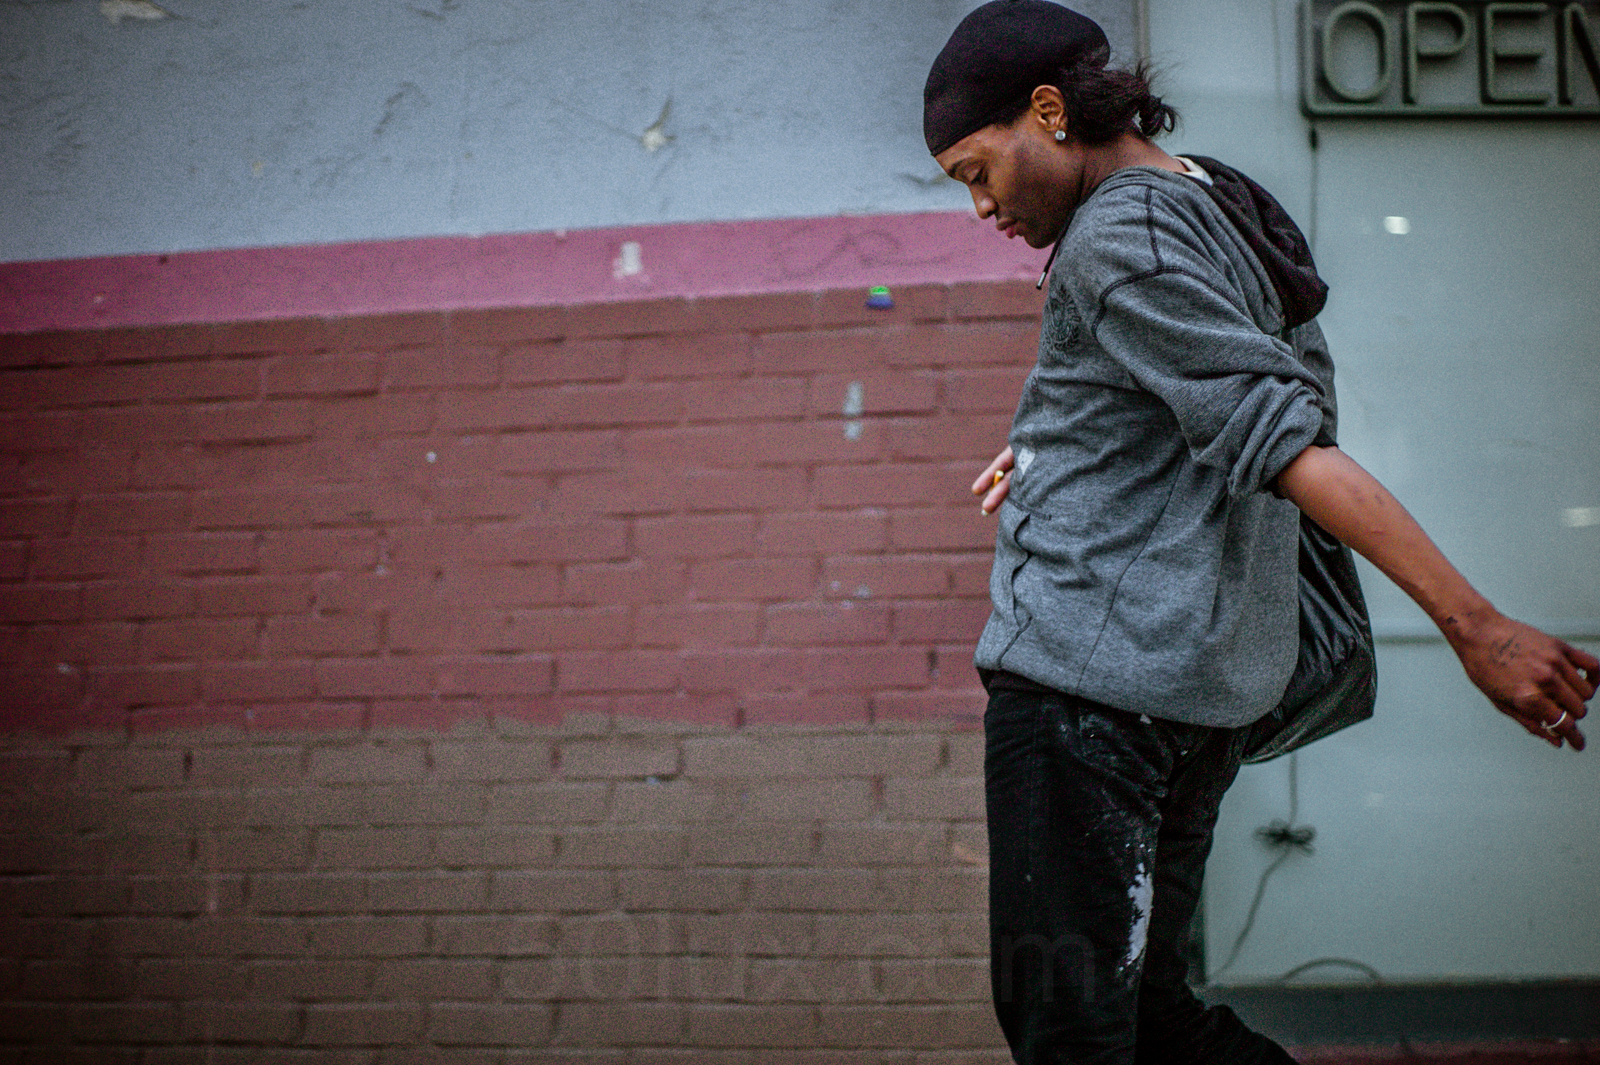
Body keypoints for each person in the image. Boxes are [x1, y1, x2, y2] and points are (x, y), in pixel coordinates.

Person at [921, 2, 1598, 1063]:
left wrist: (1475, 625)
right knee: (1152, 1021)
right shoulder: (1217, 200)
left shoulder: (1116, 237)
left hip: (1087, 698)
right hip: (1187, 700)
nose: (980, 206)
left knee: (1068, 1028)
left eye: (976, 170)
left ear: (1047, 112)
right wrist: (1065, 445)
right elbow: (1231, 391)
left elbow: (1289, 442)